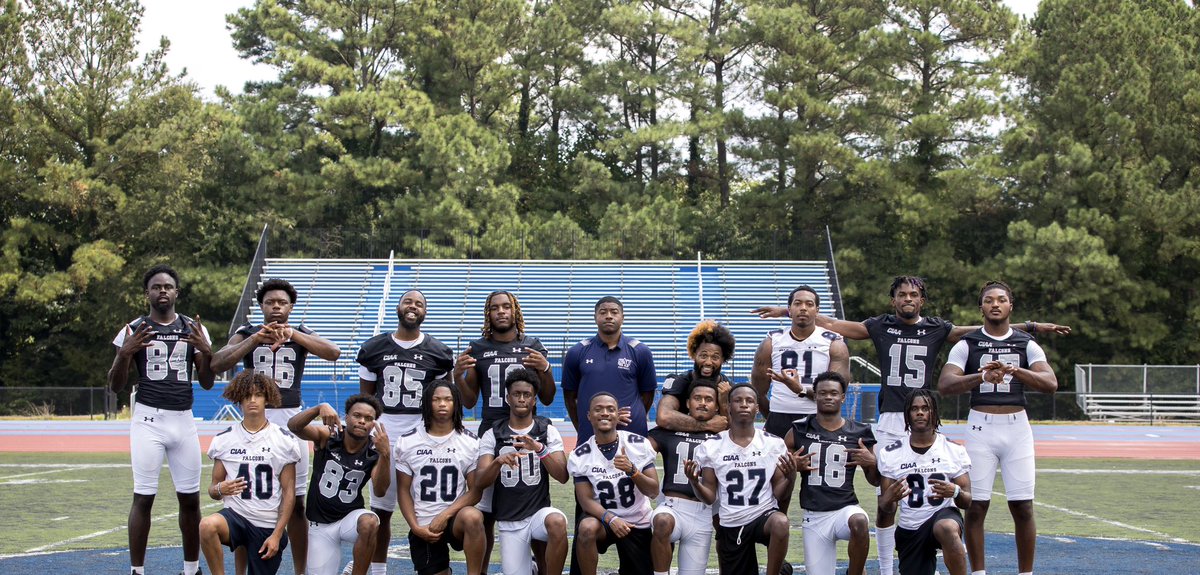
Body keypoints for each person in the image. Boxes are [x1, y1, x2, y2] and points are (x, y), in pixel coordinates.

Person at [752, 275, 1068, 575]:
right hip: (891, 416)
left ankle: (927, 547)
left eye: (913, 294)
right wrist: (788, 312)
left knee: (931, 488)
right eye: (902, 294)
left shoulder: (936, 328)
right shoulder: (881, 325)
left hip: (923, 414)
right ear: (893, 300)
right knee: (886, 498)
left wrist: (1030, 327)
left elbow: (979, 329)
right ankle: (887, 569)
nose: (907, 298)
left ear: (922, 300)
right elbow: (834, 324)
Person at [212, 278, 343, 574]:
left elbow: (333, 352)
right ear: (261, 306)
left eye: (282, 302)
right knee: (242, 502)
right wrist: (254, 340)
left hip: (290, 418)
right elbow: (216, 363)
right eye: (270, 302)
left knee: (296, 501)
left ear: (291, 307)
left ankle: (300, 570)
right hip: (254, 417)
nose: (276, 307)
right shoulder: (247, 332)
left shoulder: (301, 332)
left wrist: (294, 334)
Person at [938, 281, 1059, 575]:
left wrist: (1016, 371)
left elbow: (1050, 383)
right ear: (981, 307)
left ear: (1010, 306)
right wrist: (980, 377)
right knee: (976, 506)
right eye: (989, 300)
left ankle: (1025, 573)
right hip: (981, 427)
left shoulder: (1026, 343)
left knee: (1023, 506)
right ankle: (979, 572)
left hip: (1017, 428)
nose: (995, 304)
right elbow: (945, 384)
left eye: (1001, 300)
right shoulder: (967, 343)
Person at [109, 264, 215, 575]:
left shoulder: (193, 328)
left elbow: (207, 382)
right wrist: (124, 353)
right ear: (147, 293)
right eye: (156, 287)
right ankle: (137, 571)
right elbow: (115, 385)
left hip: (183, 419)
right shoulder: (133, 329)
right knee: (143, 497)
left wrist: (207, 352)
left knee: (190, 499)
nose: (163, 291)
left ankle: (191, 569)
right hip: (149, 420)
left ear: (176, 292)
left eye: (168, 286)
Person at [452, 290, 555, 570]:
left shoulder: (532, 345)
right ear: (488, 313)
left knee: (533, 504)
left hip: (527, 432)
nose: (501, 311)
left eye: (506, 306)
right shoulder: (478, 348)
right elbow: (469, 401)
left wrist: (546, 368)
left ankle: (540, 567)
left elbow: (547, 397)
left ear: (515, 311)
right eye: (495, 307)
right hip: (491, 432)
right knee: (485, 509)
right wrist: (457, 376)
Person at [356, 289, 454, 575]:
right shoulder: (374, 348)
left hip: (422, 435)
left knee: (428, 507)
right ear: (398, 307)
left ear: (425, 312)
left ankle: (433, 567)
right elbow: (367, 400)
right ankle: (379, 570)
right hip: (385, 433)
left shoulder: (438, 352)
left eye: (419, 303)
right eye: (408, 301)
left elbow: (444, 397)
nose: (413, 306)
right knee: (381, 510)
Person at [686, 384, 796, 575]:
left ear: (757, 408)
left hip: (763, 515)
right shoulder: (712, 446)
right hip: (732, 521)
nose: (744, 404)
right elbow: (709, 497)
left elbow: (780, 493)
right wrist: (695, 483)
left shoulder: (773, 443)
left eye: (749, 401)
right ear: (728, 407)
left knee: (780, 522)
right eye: (738, 400)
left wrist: (791, 476)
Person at [200, 372, 302, 575]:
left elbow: (289, 493)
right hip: (235, 517)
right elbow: (213, 490)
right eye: (247, 396)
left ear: (267, 399)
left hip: (266, 523)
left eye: (258, 395)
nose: (252, 400)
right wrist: (220, 489)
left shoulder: (283, 440)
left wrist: (277, 534)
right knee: (206, 526)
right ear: (239, 399)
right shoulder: (224, 440)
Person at [475, 367, 570, 575]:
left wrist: (540, 449)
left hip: (538, 515)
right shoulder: (493, 434)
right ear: (507, 398)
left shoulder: (547, 430)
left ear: (534, 400)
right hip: (510, 521)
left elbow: (562, 476)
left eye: (527, 395)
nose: (521, 399)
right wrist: (497, 462)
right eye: (516, 394)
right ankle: (533, 567)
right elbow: (479, 481)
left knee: (557, 522)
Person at [782, 371, 878, 575]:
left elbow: (875, 480)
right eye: (823, 393)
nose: (828, 397)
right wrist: (792, 467)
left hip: (845, 509)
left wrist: (872, 463)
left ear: (842, 397)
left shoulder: (859, 432)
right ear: (815, 395)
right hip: (814, 515)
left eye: (834, 393)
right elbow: (778, 472)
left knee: (860, 522)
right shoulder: (799, 429)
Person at [287, 395, 391, 575]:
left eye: (368, 418)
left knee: (369, 522)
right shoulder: (329, 436)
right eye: (357, 415)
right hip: (320, 525)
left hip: (349, 519)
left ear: (373, 424)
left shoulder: (374, 451)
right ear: (346, 417)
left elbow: (380, 491)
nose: (362, 421)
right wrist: (318, 408)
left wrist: (385, 455)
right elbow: (294, 426)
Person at [876, 389, 972, 575]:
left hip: (943, 515)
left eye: (925, 408)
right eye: (914, 409)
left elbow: (967, 501)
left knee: (946, 528)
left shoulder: (953, 450)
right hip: (911, 527)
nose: (920, 412)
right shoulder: (891, 453)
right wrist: (889, 497)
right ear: (907, 415)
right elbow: (886, 508)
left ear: (934, 413)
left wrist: (955, 491)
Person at [395, 380, 485, 575]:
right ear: (427, 403)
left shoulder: (470, 442)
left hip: (456, 519)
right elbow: (403, 490)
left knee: (473, 516)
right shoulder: (407, 441)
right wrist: (415, 527)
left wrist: (445, 515)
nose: (442, 404)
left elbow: (475, 492)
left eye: (448, 399)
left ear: (456, 403)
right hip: (424, 522)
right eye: (436, 399)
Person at [569, 392, 661, 575]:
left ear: (618, 415)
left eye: (610, 409)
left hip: (637, 521)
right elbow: (585, 501)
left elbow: (653, 491)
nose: (605, 413)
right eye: (598, 409)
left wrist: (633, 471)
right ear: (589, 416)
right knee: (586, 528)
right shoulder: (580, 455)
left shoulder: (637, 444)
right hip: (603, 521)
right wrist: (610, 518)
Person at [751, 285, 851, 437]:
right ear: (789, 310)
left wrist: (801, 390)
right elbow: (758, 392)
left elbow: (836, 393)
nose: (803, 308)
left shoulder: (834, 343)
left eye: (809, 304)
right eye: (797, 303)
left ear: (817, 311)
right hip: (779, 416)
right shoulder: (771, 342)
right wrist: (773, 416)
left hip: (817, 418)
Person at [647, 378, 722, 575]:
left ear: (717, 406)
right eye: (697, 398)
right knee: (662, 521)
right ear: (688, 403)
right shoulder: (668, 430)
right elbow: (639, 452)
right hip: (672, 507)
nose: (702, 403)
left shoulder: (723, 436)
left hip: (703, 512)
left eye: (709, 399)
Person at [561, 296, 657, 443]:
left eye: (614, 312)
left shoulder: (641, 351)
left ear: (622, 317)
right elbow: (570, 397)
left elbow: (647, 395)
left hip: (631, 432)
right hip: (591, 434)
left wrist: (634, 414)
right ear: (595, 317)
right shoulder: (577, 352)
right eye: (603, 312)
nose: (609, 316)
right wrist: (583, 426)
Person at [655, 320, 733, 433]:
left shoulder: (729, 387)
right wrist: (706, 425)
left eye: (715, 357)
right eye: (703, 356)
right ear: (694, 354)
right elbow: (663, 416)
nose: (708, 362)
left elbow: (735, 431)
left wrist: (724, 405)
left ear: (723, 359)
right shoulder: (680, 381)